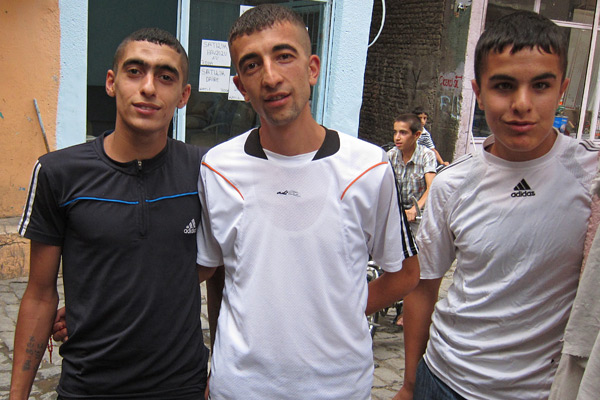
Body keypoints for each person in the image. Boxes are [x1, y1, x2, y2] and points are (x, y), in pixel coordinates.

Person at [195, 4, 420, 399]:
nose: (270, 76)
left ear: (313, 68)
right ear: (240, 85)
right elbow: (211, 271)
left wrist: (337, 311)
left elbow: (404, 273)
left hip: (338, 387)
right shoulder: (217, 168)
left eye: (284, 56)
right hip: (241, 387)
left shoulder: (368, 167)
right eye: (251, 65)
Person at [395, 10, 599, 400]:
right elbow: (423, 286)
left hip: (542, 391)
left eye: (540, 85)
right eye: (504, 86)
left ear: (562, 90)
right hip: (445, 380)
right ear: (478, 91)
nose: (521, 104)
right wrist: (408, 383)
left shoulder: (590, 172)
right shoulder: (452, 184)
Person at [10, 28, 209, 399]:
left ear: (183, 95)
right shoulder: (59, 173)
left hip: (182, 384)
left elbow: (214, 266)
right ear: (111, 82)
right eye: (135, 71)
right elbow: (39, 294)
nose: (148, 87)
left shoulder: (204, 171)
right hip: (89, 385)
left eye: (165, 77)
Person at [387, 113, 437, 234]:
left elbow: (432, 186)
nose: (397, 137)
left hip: (418, 217)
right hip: (395, 213)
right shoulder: (391, 155)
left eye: (403, 133)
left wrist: (415, 208)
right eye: (395, 132)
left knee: (417, 248)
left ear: (417, 135)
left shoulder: (426, 155)